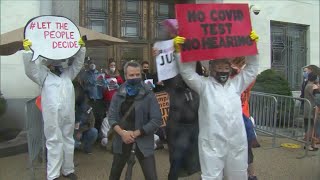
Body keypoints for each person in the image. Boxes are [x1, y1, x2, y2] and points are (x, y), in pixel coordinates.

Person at [23, 39, 86, 180]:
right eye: (53, 60)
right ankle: (53, 175)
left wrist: (81, 49)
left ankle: (68, 169)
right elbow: (31, 70)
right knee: (53, 140)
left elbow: (78, 64)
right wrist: (28, 52)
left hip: (68, 113)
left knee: (68, 139)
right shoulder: (44, 75)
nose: (56, 63)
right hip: (52, 114)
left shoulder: (67, 74)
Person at [107, 61, 162, 180]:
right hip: (122, 140)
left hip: (143, 140)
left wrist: (136, 133)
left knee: (151, 176)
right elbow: (111, 118)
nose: (135, 77)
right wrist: (123, 133)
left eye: (137, 74)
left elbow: (156, 119)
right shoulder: (118, 94)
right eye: (131, 75)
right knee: (114, 175)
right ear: (125, 76)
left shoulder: (149, 94)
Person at [165, 74, 201, 180]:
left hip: (195, 127)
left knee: (199, 160)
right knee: (177, 161)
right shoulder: (174, 89)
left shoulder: (197, 88)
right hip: (178, 129)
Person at [74, 82, 98, 154]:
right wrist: (75, 132)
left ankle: (86, 148)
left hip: (82, 132)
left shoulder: (88, 108)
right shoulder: (70, 107)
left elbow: (92, 122)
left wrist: (80, 131)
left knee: (93, 131)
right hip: (71, 134)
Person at [83, 61, 106, 134]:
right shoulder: (85, 75)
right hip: (89, 100)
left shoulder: (100, 74)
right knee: (90, 118)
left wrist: (103, 84)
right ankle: (91, 134)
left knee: (99, 118)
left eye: (94, 63)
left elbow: (104, 87)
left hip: (99, 99)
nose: (92, 65)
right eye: (91, 63)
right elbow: (83, 86)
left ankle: (99, 136)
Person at [303, 72, 319, 151]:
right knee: (310, 127)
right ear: (315, 78)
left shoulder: (308, 84)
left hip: (310, 107)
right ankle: (307, 145)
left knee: (312, 127)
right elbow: (317, 94)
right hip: (310, 108)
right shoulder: (311, 86)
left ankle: (313, 144)